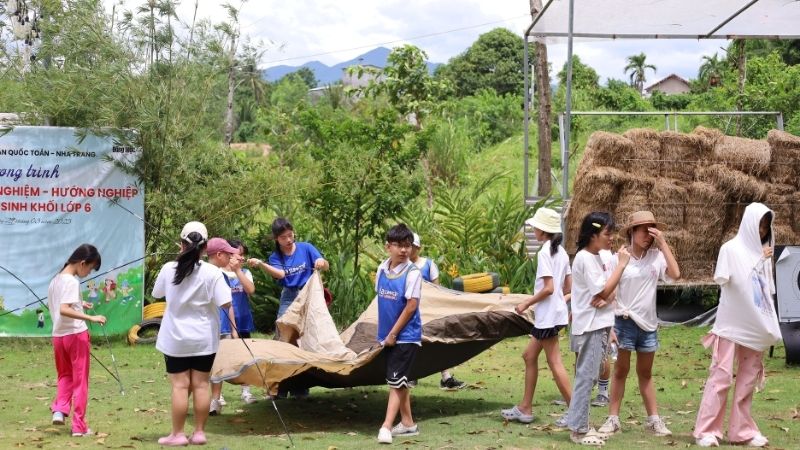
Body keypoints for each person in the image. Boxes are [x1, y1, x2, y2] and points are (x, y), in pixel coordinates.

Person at [693, 203, 780, 448]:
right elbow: (728, 281)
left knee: (747, 378)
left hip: (756, 325)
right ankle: (707, 430)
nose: (762, 231)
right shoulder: (730, 249)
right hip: (731, 324)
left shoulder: (764, 254)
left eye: (766, 226)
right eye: (759, 225)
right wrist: (757, 260)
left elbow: (766, 291)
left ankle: (742, 430)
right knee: (721, 376)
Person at [597, 211, 680, 437]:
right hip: (623, 322)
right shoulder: (619, 258)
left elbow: (675, 274)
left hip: (648, 325)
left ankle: (654, 420)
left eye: (651, 230)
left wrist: (663, 244)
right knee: (621, 371)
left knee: (646, 373)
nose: (648, 235)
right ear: (632, 232)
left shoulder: (656, 256)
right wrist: (610, 326)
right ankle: (613, 419)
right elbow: (610, 293)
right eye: (643, 230)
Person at [152, 222, 234, 446]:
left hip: (175, 339)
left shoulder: (169, 268)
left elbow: (157, 292)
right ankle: (198, 433)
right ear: (205, 247)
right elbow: (226, 302)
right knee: (200, 384)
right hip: (204, 339)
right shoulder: (212, 272)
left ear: (182, 244)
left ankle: (177, 434)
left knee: (179, 386)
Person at [501, 208, 572, 427]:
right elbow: (568, 288)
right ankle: (525, 408)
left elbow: (549, 288)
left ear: (542, 230)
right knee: (529, 356)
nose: (532, 229)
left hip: (548, 317)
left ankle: (576, 410)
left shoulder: (544, 253)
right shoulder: (561, 251)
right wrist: (562, 303)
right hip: (553, 315)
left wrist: (525, 303)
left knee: (555, 362)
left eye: (534, 226)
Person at [565, 212, 629, 446]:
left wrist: (610, 292)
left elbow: (610, 291)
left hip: (600, 324)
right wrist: (621, 267)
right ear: (593, 235)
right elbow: (602, 291)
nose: (611, 238)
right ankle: (579, 429)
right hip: (590, 327)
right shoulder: (584, 258)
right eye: (607, 234)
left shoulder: (597, 257)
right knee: (586, 376)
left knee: (590, 375)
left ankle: (578, 423)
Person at [248, 217, 328, 398]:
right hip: (289, 296)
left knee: (305, 340)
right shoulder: (276, 257)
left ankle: (301, 387)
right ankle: (280, 386)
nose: (288, 240)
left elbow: (325, 264)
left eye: (290, 235)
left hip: (309, 296)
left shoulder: (306, 248)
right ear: (277, 239)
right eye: (283, 237)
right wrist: (261, 264)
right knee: (283, 338)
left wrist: (322, 263)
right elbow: (281, 274)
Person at [48, 244, 106, 437]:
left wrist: (81, 305)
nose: (88, 273)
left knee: (65, 376)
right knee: (80, 382)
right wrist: (91, 318)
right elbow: (64, 309)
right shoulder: (72, 282)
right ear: (82, 263)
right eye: (89, 268)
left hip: (58, 337)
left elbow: (62, 305)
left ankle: (59, 410)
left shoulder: (55, 280)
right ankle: (79, 426)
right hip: (76, 336)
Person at [376, 224, 423, 444]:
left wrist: (393, 333)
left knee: (395, 382)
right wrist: (383, 333)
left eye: (408, 246)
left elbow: (411, 306)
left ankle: (386, 426)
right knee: (399, 380)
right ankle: (408, 423)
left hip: (405, 336)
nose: (404, 250)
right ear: (388, 247)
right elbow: (380, 301)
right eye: (399, 246)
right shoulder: (381, 269)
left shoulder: (413, 272)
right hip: (387, 335)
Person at [410, 232, 465, 390]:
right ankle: (413, 375)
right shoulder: (403, 266)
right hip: (410, 311)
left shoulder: (428, 264)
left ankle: (446, 377)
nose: (410, 249)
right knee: (414, 343)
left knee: (437, 342)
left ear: (418, 248)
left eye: (413, 246)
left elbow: (437, 289)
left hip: (429, 311)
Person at [204, 238, 243, 416]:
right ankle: (205, 400)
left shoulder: (223, 276)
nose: (231, 256)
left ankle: (215, 400)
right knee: (205, 367)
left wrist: (234, 329)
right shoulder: (207, 274)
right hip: (207, 328)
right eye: (228, 253)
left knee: (218, 366)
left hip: (223, 327)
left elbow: (229, 304)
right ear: (218, 255)